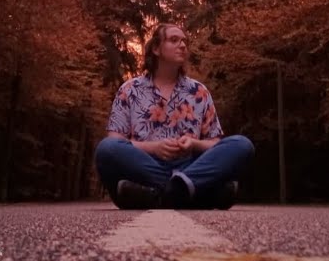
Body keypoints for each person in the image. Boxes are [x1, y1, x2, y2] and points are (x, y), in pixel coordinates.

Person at [95, 22, 255, 209]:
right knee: (106, 148)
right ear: (156, 48)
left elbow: (215, 143)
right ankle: (195, 193)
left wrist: (193, 144)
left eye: (185, 41)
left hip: (191, 166)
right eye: (174, 40)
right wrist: (154, 148)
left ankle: (162, 193)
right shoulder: (129, 90)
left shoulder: (199, 91)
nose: (183, 45)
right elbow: (115, 141)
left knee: (242, 145)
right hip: (145, 166)